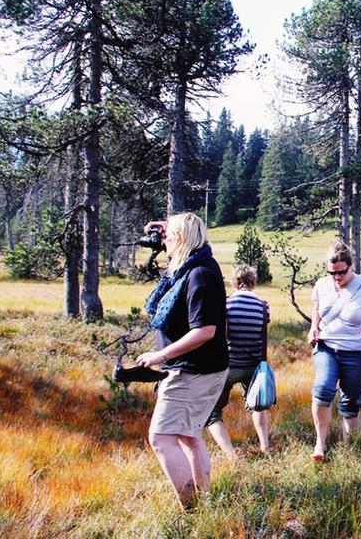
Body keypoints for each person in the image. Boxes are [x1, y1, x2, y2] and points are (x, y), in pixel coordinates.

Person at [136, 213, 228, 508]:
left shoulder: (199, 275)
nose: (163, 242)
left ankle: (190, 507)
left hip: (194, 370)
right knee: (188, 436)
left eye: (168, 237)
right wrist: (165, 229)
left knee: (161, 438)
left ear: (182, 239)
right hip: (197, 368)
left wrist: (161, 355)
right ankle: (205, 501)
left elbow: (204, 331)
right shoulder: (193, 266)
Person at [306, 240, 361, 461]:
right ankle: (320, 444)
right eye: (332, 273)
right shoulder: (322, 285)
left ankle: (349, 448)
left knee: (350, 400)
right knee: (322, 389)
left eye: (341, 272)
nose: (337, 278)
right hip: (327, 347)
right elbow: (317, 310)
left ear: (351, 266)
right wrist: (313, 328)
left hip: (358, 353)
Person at [204, 264, 271, 457]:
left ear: (235, 282)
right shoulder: (262, 305)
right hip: (254, 366)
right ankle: (265, 447)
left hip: (228, 366)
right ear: (253, 282)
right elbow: (263, 331)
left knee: (213, 412)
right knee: (257, 406)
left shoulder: (227, 304)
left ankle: (231, 455)